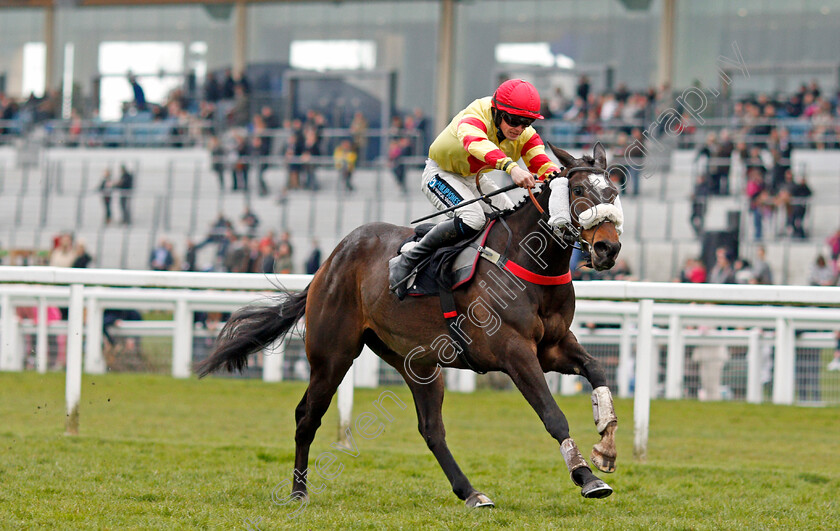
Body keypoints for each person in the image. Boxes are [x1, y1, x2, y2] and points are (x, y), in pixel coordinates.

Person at [388, 79, 560, 298]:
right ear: (497, 112)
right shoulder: (475, 115)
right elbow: (476, 143)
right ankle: (408, 259)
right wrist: (512, 168)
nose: (519, 128)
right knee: (473, 218)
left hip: (473, 177)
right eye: (514, 120)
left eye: (526, 122)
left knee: (511, 221)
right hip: (440, 173)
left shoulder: (525, 134)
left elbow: (543, 163)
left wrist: (559, 178)